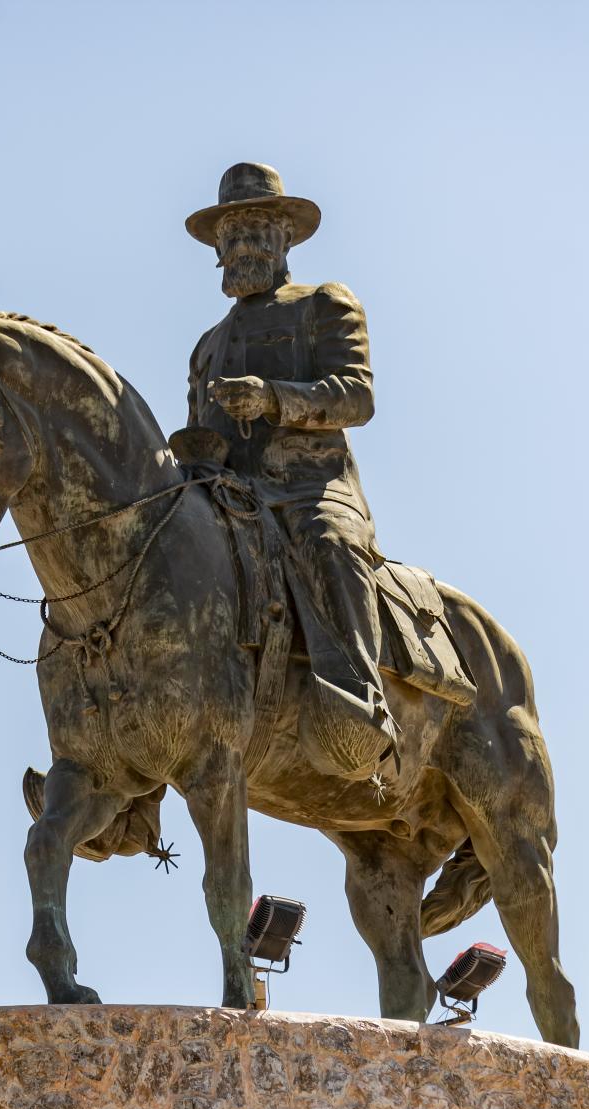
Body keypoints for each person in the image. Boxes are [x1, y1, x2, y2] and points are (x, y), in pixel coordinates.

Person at [185, 162, 396, 768]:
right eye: (231, 234)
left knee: (328, 542)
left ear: (285, 238)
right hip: (229, 498)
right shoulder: (206, 346)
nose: (242, 244)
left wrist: (275, 398)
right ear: (216, 250)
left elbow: (357, 396)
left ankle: (358, 703)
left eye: (256, 230)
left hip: (309, 489)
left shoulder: (324, 304)